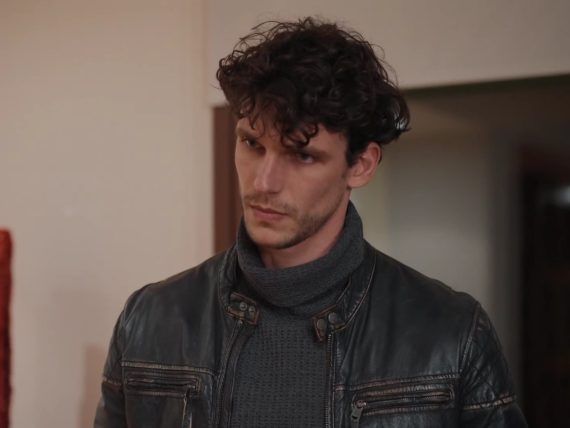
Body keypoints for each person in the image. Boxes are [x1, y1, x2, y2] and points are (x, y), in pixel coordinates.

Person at [94, 17, 526, 427]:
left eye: (302, 155)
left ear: (360, 165)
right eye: (252, 144)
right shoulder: (150, 319)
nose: (264, 183)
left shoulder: (451, 332)